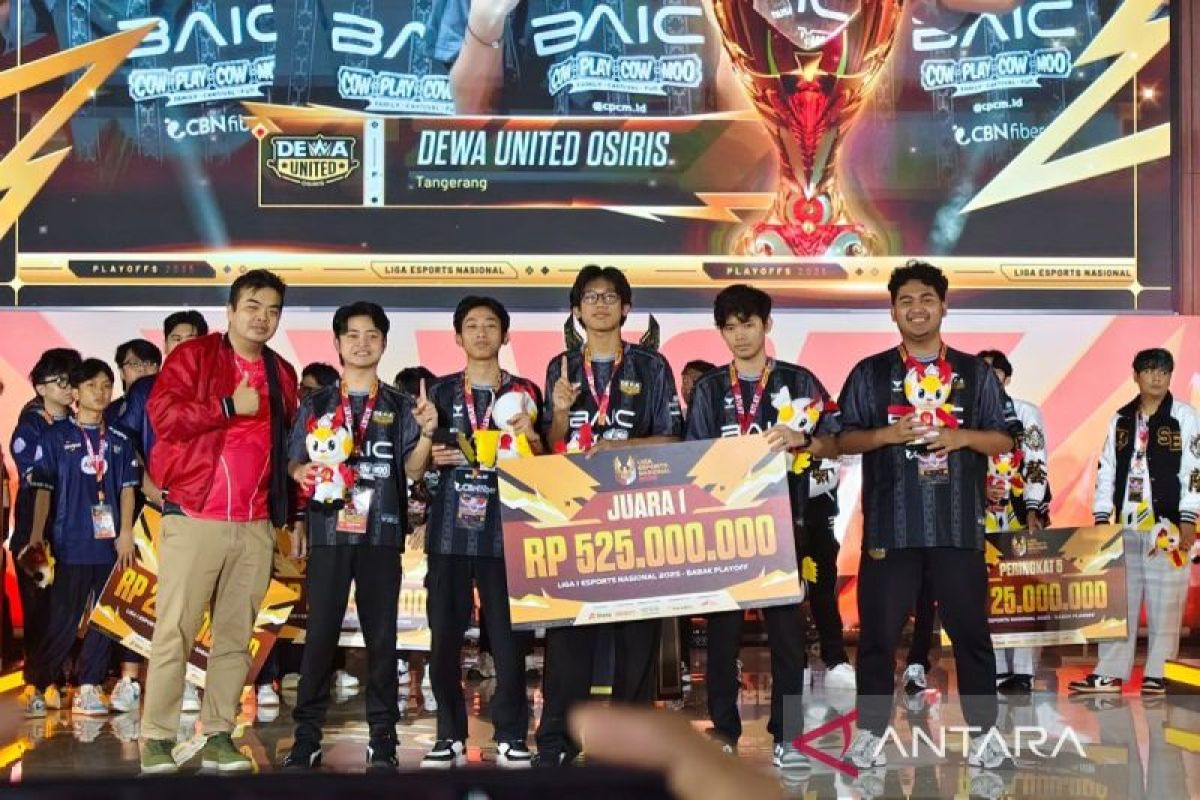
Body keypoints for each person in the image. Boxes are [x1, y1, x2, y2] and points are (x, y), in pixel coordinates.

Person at [836, 261, 1018, 771]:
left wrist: (961, 437)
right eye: (906, 301)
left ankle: (984, 734)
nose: (917, 309)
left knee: (971, 635)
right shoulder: (870, 373)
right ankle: (870, 733)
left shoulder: (975, 373)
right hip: (890, 529)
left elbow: (1005, 437)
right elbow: (841, 438)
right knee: (877, 638)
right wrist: (886, 435)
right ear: (893, 310)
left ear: (943, 306)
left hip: (956, 527)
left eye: (927, 299)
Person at [139, 269, 299, 774]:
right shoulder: (195, 357)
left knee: (235, 638)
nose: (262, 317)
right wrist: (228, 405)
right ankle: (156, 737)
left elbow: (287, 447)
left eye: (272, 310)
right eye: (252, 306)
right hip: (195, 515)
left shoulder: (282, 372)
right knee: (175, 631)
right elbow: (164, 417)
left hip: (254, 524)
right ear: (230, 311)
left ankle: (218, 733)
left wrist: (292, 504)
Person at [684, 284, 839, 769]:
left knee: (788, 639)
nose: (740, 335)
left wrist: (804, 439)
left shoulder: (799, 380)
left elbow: (836, 436)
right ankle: (723, 730)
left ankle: (788, 736)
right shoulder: (710, 389)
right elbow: (692, 456)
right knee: (722, 638)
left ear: (766, 325)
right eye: (730, 327)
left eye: (748, 324)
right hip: (725, 530)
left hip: (785, 529)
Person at [536, 265, 683, 766]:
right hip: (575, 518)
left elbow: (674, 438)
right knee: (568, 636)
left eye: (610, 296)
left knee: (636, 638)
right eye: (590, 297)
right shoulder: (560, 366)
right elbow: (550, 444)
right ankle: (557, 742)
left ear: (626, 307)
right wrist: (560, 412)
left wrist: (622, 449)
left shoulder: (652, 365)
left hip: (636, 516)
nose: (600, 304)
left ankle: (629, 747)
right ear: (576, 310)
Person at [283, 302, 436, 771]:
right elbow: (293, 461)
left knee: (382, 638)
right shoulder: (316, 404)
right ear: (337, 343)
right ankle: (306, 737)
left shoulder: (400, 404)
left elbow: (413, 470)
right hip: (329, 533)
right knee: (320, 637)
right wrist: (300, 472)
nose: (362, 343)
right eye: (352, 335)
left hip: (381, 532)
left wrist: (427, 434)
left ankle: (383, 737)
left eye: (372, 335)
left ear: (384, 343)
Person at [420, 296, 544, 769]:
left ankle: (512, 735)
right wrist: (431, 453)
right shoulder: (439, 393)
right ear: (457, 337)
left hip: (506, 530)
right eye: (471, 325)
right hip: (449, 532)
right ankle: (448, 734)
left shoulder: (525, 392)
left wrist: (532, 437)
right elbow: (418, 466)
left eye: (491, 325)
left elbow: (544, 461)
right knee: (444, 638)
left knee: (509, 641)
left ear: (506, 335)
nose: (481, 333)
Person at [1069, 348, 1198, 696]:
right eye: (1150, 370)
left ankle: (1159, 673)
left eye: (1164, 371)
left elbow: (1194, 470)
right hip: (1124, 526)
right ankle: (1109, 673)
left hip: (1168, 528)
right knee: (1118, 604)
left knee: (1166, 603)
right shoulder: (1121, 419)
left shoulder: (1184, 417)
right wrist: (1101, 517)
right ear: (1135, 376)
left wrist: (1189, 517)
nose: (1157, 377)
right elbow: (1106, 469)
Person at [26, 359, 139, 716]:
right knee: (63, 619)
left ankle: (89, 686)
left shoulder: (120, 440)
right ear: (75, 392)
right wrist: (36, 535)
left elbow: (127, 489)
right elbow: (43, 491)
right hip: (70, 543)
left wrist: (125, 532)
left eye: (106, 385)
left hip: (109, 546)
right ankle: (39, 684)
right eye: (92, 385)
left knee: (104, 619)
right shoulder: (55, 438)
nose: (101, 392)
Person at [436, 0, 748, 117]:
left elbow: (750, 128)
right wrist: (486, 20)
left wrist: (727, 24)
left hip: (684, 198)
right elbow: (470, 112)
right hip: (544, 207)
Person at [12, 348, 81, 716]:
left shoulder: (81, 422)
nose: (70, 388)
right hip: (36, 535)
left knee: (66, 609)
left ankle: (57, 678)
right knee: (39, 609)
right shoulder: (30, 427)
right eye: (61, 381)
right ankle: (38, 682)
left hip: (72, 532)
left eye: (74, 380)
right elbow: (40, 482)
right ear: (40, 387)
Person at [978, 349, 1051, 694]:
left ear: (1007, 378)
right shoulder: (968, 416)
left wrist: (1034, 507)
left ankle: (1023, 670)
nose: (990, 379)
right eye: (983, 373)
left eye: (995, 373)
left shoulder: (1025, 412)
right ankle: (994, 666)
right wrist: (979, 488)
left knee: (1022, 591)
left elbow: (1036, 461)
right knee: (988, 592)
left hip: (1020, 511)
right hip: (982, 513)